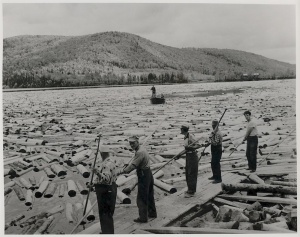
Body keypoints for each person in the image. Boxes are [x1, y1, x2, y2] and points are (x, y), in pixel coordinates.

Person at [120, 136, 157, 223]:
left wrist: (122, 171)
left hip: (143, 175)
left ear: (137, 142)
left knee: (141, 197)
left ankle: (143, 218)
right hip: (148, 173)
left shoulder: (139, 152)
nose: (131, 145)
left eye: (133, 143)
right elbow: (135, 161)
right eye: (130, 143)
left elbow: (132, 166)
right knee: (149, 194)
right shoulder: (141, 149)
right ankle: (152, 213)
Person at [90, 145, 119, 234]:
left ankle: (108, 233)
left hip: (106, 191)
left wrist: (97, 172)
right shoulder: (109, 161)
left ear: (101, 153)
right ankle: (106, 232)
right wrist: (93, 183)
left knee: (105, 214)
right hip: (109, 189)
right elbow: (105, 178)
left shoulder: (107, 164)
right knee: (105, 214)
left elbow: (106, 179)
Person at [180, 124, 201, 198]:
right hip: (188, 156)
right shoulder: (185, 137)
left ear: (183, 130)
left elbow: (198, 145)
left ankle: (192, 191)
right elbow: (186, 149)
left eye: (181, 129)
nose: (180, 130)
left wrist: (191, 147)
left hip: (193, 156)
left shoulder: (191, 136)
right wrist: (179, 155)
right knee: (187, 173)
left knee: (192, 173)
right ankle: (189, 189)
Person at [208, 119, 223, 183]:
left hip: (217, 148)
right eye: (212, 125)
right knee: (213, 163)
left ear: (217, 126)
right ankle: (214, 175)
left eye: (214, 126)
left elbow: (215, 143)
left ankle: (218, 178)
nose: (213, 127)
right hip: (213, 148)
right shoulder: (214, 132)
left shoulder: (218, 133)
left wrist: (211, 139)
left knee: (216, 163)